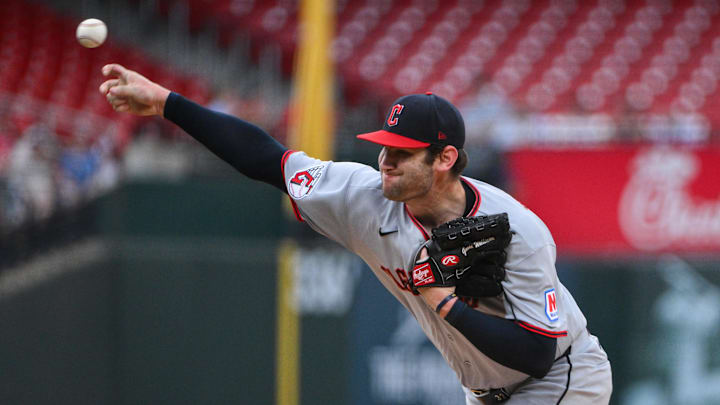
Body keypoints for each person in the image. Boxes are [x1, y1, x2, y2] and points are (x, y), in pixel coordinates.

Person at [99, 64, 612, 404]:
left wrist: (444, 302)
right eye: (383, 147)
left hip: (560, 380)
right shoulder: (363, 197)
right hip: (481, 391)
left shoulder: (516, 229)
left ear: (445, 158)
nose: (384, 161)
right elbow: (267, 160)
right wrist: (168, 103)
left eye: (402, 152)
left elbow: (538, 352)